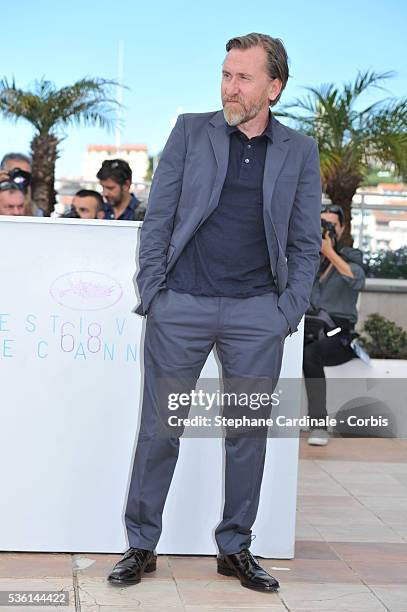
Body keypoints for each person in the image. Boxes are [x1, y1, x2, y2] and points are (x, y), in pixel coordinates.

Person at [107, 33, 321, 593]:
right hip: (182, 304)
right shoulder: (189, 131)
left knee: (247, 433)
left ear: (273, 87)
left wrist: (287, 310)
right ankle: (141, 545)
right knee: (160, 429)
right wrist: (154, 290)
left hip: (258, 311)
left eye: (243, 77)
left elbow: (303, 240)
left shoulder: (299, 150)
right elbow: (159, 217)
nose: (230, 86)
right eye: (226, 74)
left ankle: (235, 548)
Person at [303, 204, 366, 446]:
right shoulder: (306, 256)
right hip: (308, 329)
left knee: (311, 356)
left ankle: (319, 425)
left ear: (341, 228)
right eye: (321, 223)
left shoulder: (351, 255)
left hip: (339, 334)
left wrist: (329, 252)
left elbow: (355, 280)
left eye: (331, 224)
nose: (325, 229)